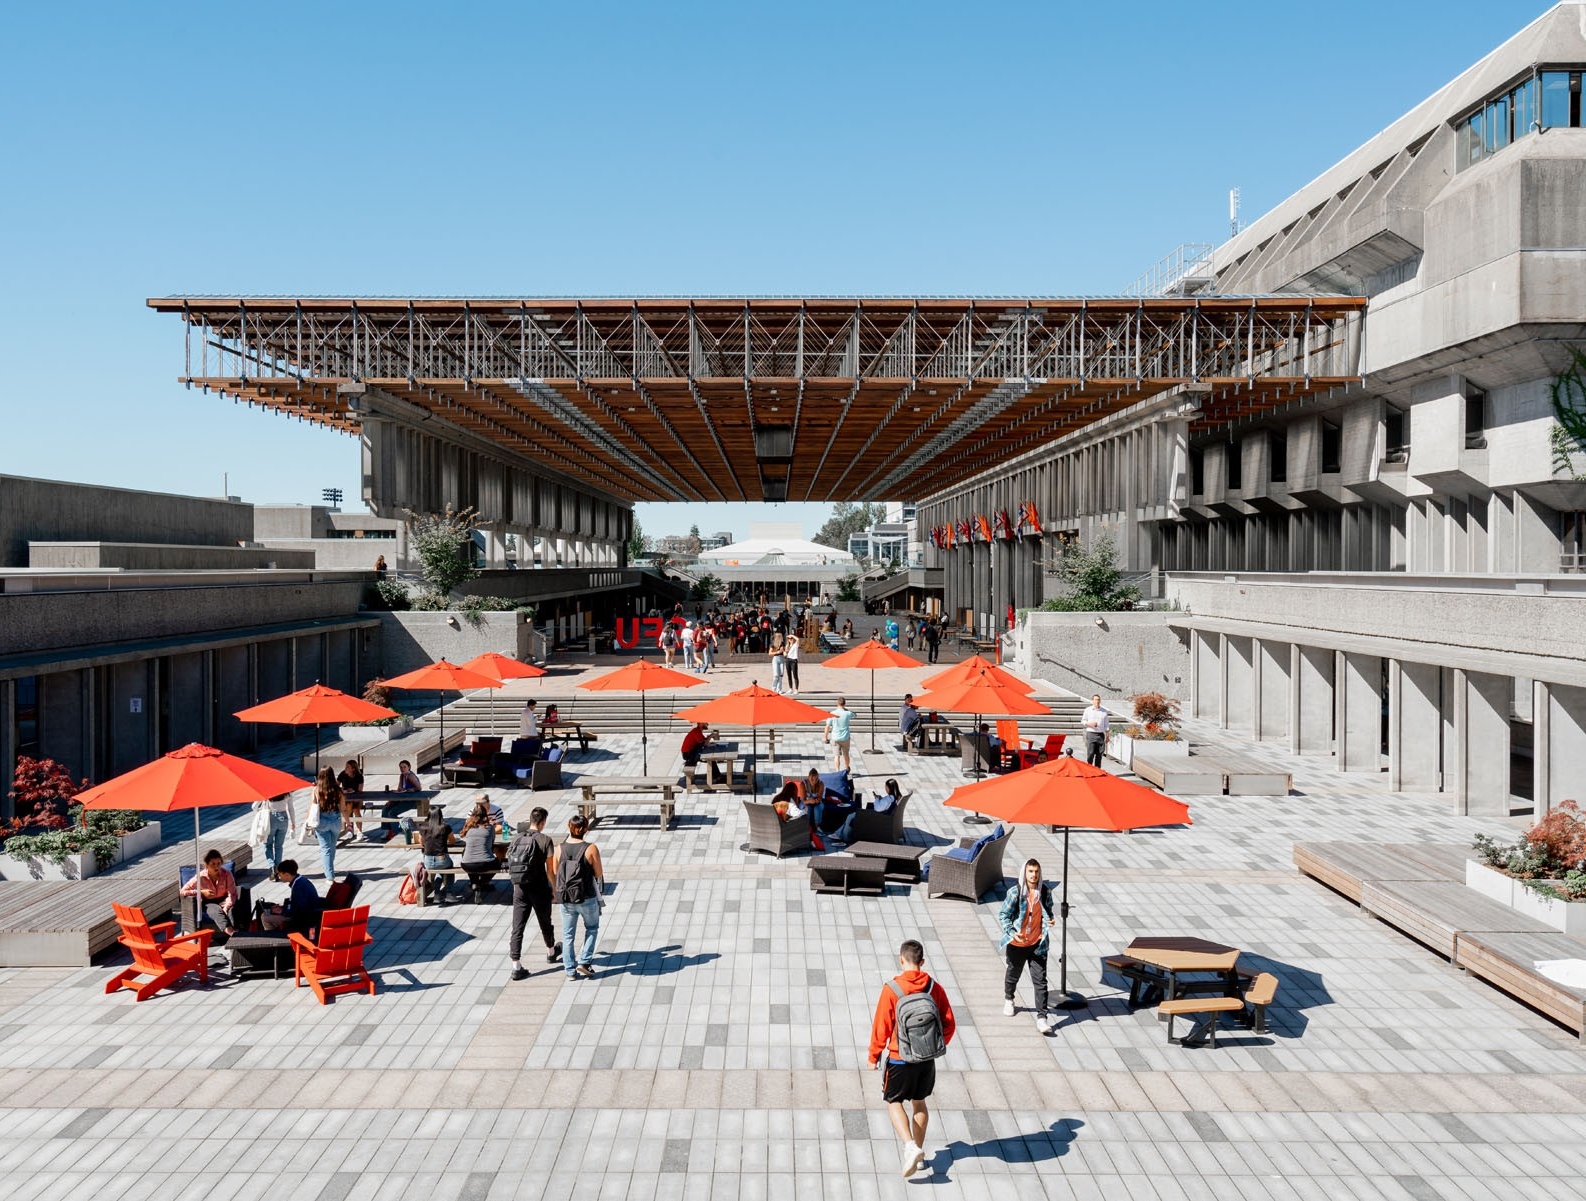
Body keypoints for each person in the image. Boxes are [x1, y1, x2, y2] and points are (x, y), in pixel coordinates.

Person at [868, 939, 956, 1179]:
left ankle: (910, 1147)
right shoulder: (933, 987)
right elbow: (949, 1023)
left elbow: (881, 1026)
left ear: (901, 959)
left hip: (899, 1058)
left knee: (893, 1102)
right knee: (920, 1103)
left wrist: (874, 1055)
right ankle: (918, 1158)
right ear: (922, 962)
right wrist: (935, 1046)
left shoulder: (892, 989)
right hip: (926, 1059)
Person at [998, 859, 1057, 1033]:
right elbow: (1003, 915)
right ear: (1024, 873)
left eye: (1036, 872)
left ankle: (1042, 1017)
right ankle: (1009, 998)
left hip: (1037, 943)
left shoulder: (1045, 892)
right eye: (1030, 871)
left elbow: (1049, 910)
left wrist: (1050, 920)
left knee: (1040, 981)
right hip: (1018, 942)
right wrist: (1011, 931)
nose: (1034, 875)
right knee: (1013, 973)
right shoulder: (1015, 892)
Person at [507, 807, 560, 978]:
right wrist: (555, 888)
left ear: (530, 820)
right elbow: (550, 869)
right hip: (539, 887)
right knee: (545, 921)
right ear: (543, 822)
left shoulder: (517, 838)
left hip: (519, 888)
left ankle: (516, 966)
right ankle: (551, 952)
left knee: (518, 926)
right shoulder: (545, 840)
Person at [550, 814, 605, 979]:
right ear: (586, 829)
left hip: (566, 897)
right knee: (592, 928)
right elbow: (599, 873)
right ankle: (585, 961)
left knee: (567, 935)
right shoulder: (591, 848)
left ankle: (570, 971)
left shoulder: (559, 848)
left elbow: (554, 871)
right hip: (586, 896)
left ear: (569, 827)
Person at [180, 848, 238, 938]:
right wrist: (200, 892)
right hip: (209, 902)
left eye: (218, 864)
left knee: (231, 910)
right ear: (207, 865)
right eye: (213, 864)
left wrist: (227, 905)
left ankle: (238, 935)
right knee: (216, 911)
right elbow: (183, 891)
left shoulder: (227, 874)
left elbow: (232, 893)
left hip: (224, 899)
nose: (216, 867)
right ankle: (231, 932)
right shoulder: (201, 876)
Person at [259, 860, 320, 936]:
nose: (279, 876)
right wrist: (283, 907)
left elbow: (298, 911)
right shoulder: (300, 881)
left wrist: (282, 912)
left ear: (287, 874)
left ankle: (273, 937)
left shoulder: (299, 887)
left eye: (280, 874)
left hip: (303, 918)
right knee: (266, 914)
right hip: (305, 914)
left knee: (265, 917)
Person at [834, 779, 903, 845]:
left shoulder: (889, 799)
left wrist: (877, 799)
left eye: (886, 787)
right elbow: (884, 806)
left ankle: (845, 838)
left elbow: (877, 808)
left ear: (889, 788)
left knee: (850, 817)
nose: (885, 788)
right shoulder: (895, 798)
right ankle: (838, 834)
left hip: (875, 817)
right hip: (881, 816)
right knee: (851, 816)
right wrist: (880, 799)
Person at [459, 801, 502, 904]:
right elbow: (491, 845)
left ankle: (474, 883)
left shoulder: (468, 827)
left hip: (466, 864)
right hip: (485, 863)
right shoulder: (489, 827)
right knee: (498, 864)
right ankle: (482, 883)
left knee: (467, 856)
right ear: (485, 815)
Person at [308, 766, 344, 880]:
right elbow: (343, 808)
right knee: (332, 847)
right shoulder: (338, 790)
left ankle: (329, 876)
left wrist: (308, 820)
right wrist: (348, 823)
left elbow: (312, 807)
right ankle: (329, 868)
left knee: (325, 848)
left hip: (322, 820)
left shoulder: (316, 790)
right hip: (335, 820)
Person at [255, 791, 296, 881]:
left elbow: (254, 806)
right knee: (279, 846)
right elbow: (291, 809)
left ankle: (272, 866)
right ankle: (278, 869)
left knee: (268, 844)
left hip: (271, 819)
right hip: (283, 819)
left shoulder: (267, 793)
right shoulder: (287, 794)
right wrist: (293, 822)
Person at [419, 804, 456, 903]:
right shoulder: (445, 827)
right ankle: (449, 893)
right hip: (442, 859)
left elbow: (421, 842)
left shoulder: (423, 827)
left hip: (428, 861)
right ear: (440, 815)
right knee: (449, 868)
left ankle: (437, 894)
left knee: (439, 871)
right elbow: (452, 841)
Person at [337, 759, 365, 844]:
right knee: (348, 806)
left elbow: (360, 790)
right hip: (346, 799)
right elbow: (336, 785)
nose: (345, 768)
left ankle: (359, 831)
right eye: (346, 766)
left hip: (357, 798)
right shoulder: (343, 774)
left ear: (353, 769)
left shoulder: (359, 776)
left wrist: (353, 790)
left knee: (356, 809)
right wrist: (342, 789)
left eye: (348, 766)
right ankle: (349, 828)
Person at [1082, 694, 1109, 767]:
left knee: (1099, 754)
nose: (1097, 701)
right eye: (1096, 699)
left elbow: (1106, 725)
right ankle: (1089, 768)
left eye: (1098, 700)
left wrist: (1107, 736)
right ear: (1092, 701)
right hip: (1091, 734)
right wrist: (1090, 724)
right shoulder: (1088, 710)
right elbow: (1083, 721)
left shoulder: (1104, 711)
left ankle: (1097, 770)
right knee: (1090, 753)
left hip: (1100, 735)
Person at [826, 698, 853, 771]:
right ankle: (847, 768)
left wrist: (825, 737)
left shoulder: (832, 714)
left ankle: (837, 771)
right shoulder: (848, 713)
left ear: (837, 704)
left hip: (835, 738)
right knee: (846, 755)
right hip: (845, 738)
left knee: (836, 756)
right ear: (844, 704)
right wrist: (846, 710)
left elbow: (827, 726)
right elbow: (855, 715)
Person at [783, 628, 801, 693]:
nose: (790, 640)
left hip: (794, 660)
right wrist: (784, 653)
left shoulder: (795, 645)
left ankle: (796, 689)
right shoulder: (787, 646)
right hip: (788, 660)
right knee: (789, 675)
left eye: (791, 639)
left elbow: (798, 639)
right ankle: (790, 688)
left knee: (795, 675)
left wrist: (792, 635)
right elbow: (785, 653)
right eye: (789, 639)